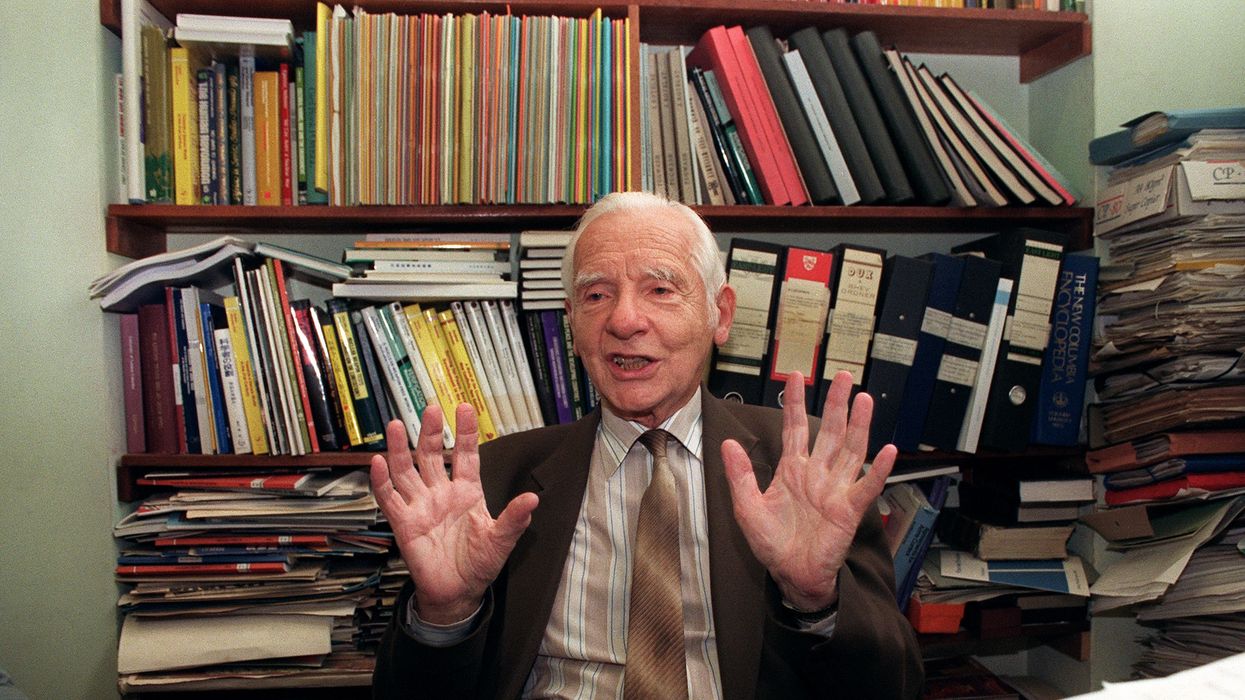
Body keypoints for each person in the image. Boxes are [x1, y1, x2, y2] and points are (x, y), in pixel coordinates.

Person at [371, 192, 923, 698]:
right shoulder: (497, 478)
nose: (624, 320)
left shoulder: (799, 469)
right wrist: (446, 613)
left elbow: (893, 685)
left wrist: (814, 601)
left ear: (720, 314)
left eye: (660, 289)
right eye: (595, 294)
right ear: (572, 321)